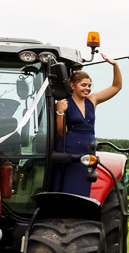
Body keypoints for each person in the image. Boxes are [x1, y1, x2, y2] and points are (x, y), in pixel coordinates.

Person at [53, 57, 124, 198]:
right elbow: (62, 132)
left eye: (89, 85)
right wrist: (60, 112)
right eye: (83, 85)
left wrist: (115, 65)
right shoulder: (63, 103)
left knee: (84, 190)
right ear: (72, 85)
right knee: (69, 189)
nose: (87, 88)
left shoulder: (93, 100)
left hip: (88, 153)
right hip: (70, 153)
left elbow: (116, 87)